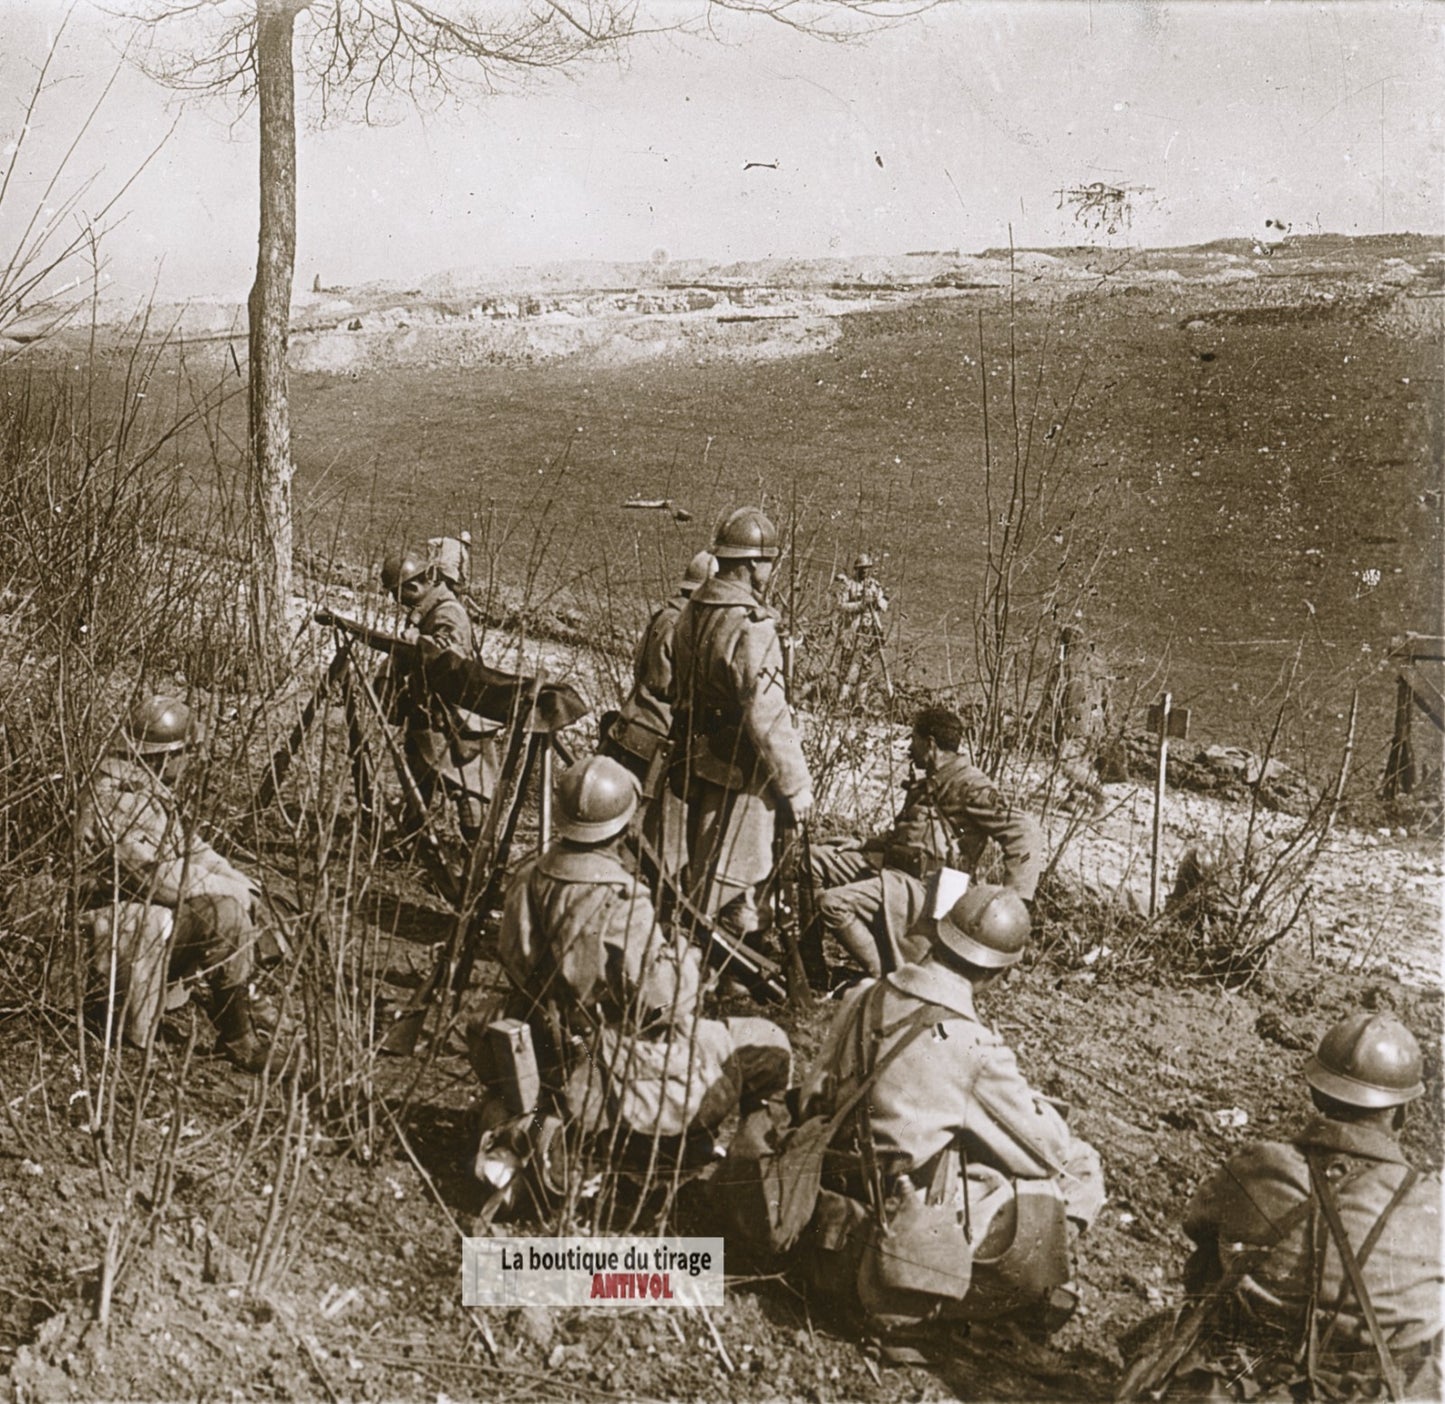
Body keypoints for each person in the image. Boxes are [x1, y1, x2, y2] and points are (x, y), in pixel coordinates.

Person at [753, 886, 1103, 1337]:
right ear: (997, 973)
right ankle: (1001, 1297)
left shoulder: (865, 995)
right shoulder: (973, 1047)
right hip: (890, 1242)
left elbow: (815, 1092)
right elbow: (1048, 1152)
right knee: (1080, 1166)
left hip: (817, 1209)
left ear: (939, 936)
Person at [474, 755, 792, 1174]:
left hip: (542, 1039)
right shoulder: (623, 899)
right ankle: (736, 1179)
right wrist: (687, 958)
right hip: (605, 1056)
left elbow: (514, 955)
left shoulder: (529, 876)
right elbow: (667, 1005)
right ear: (623, 827)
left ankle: (625, 1144)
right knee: (769, 1040)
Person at [1120, 1012, 1443, 1402]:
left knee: (1212, 1262)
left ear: (1317, 1094)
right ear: (1403, 1112)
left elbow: (1197, 1225)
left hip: (1247, 1377)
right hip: (1371, 1389)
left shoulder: (1257, 1165)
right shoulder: (1432, 1203)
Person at [74, 696, 274, 1072]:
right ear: (166, 756)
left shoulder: (146, 788)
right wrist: (231, 892)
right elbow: (155, 878)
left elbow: (191, 849)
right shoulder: (118, 799)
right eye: (187, 751)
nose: (191, 759)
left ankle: (250, 1004)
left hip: (139, 921)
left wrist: (241, 883)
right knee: (223, 914)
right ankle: (239, 1040)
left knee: (241, 897)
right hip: (107, 929)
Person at [808, 704, 1044, 977]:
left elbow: (1024, 831)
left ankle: (888, 980)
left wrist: (1014, 903)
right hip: (895, 873)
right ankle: (808, 966)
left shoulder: (970, 785)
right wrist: (864, 843)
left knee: (832, 903)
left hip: (926, 888)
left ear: (930, 744)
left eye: (914, 739)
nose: (910, 748)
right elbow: (913, 834)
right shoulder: (930, 781)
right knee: (810, 858)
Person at [669, 506, 812, 943]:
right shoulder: (753, 626)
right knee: (742, 882)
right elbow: (766, 713)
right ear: (752, 564)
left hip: (695, 758)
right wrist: (796, 785)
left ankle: (697, 953)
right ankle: (724, 963)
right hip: (743, 769)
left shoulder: (692, 611)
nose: (769, 570)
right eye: (767, 561)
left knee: (703, 866)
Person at [603, 550, 715, 880]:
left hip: (631, 726)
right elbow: (672, 686)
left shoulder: (663, 615)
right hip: (657, 738)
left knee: (613, 818)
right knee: (641, 830)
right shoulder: (685, 625)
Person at [379, 546, 499, 844]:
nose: (396, 601)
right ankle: (412, 838)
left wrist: (418, 642)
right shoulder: (429, 609)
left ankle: (476, 853)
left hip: (456, 720)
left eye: (398, 593)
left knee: (466, 786)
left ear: (415, 586)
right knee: (420, 774)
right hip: (432, 714)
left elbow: (453, 659)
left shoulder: (448, 612)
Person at [835, 552, 891, 708]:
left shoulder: (875, 585)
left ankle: (860, 703)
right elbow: (841, 606)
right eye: (862, 568)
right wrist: (860, 605)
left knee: (866, 667)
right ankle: (841, 702)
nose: (865, 571)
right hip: (852, 631)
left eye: (867, 568)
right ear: (857, 569)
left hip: (870, 631)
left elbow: (884, 604)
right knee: (847, 666)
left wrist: (877, 601)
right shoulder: (849, 585)